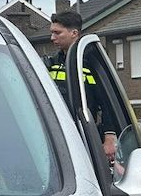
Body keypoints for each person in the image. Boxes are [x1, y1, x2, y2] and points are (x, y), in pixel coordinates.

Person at [48, 10, 118, 161]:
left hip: (84, 135)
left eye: (57, 33)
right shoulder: (53, 63)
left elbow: (108, 103)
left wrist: (109, 140)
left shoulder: (92, 62)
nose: (52, 37)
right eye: (52, 32)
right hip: (58, 133)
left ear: (74, 33)